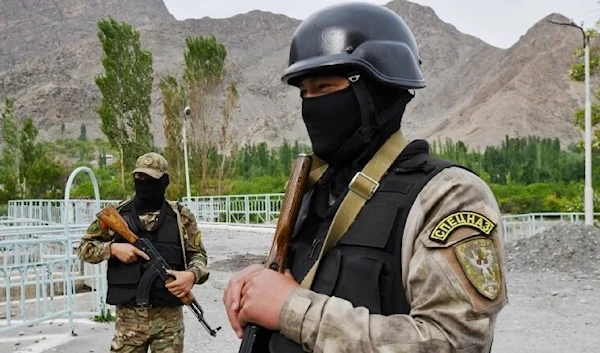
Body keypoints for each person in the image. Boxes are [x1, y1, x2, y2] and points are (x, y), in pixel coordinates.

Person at [223, 2, 508, 353]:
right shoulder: (318, 188)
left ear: (378, 90)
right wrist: (260, 279)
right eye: (304, 93)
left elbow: (456, 342)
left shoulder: (447, 196)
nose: (311, 105)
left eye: (325, 88)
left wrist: (292, 310)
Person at [77, 152, 210, 353]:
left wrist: (192, 275)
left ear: (164, 181)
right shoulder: (117, 216)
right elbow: (84, 249)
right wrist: (111, 249)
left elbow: (198, 255)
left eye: (151, 179)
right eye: (140, 178)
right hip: (129, 323)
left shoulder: (181, 217)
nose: (144, 183)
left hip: (169, 322)